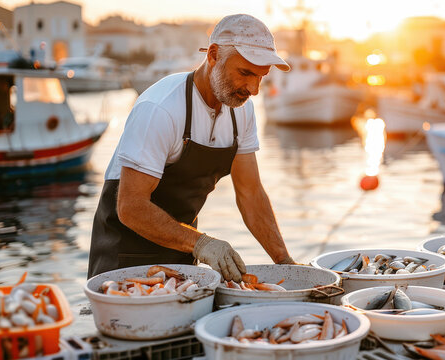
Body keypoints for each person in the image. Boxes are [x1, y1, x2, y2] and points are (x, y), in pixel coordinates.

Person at [87, 14, 295, 281]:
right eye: (244, 73)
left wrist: (286, 262)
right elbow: (130, 206)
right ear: (213, 55)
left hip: (181, 258)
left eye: (261, 77)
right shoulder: (161, 108)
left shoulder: (241, 112)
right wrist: (202, 244)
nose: (253, 89)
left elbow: (251, 194)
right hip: (123, 261)